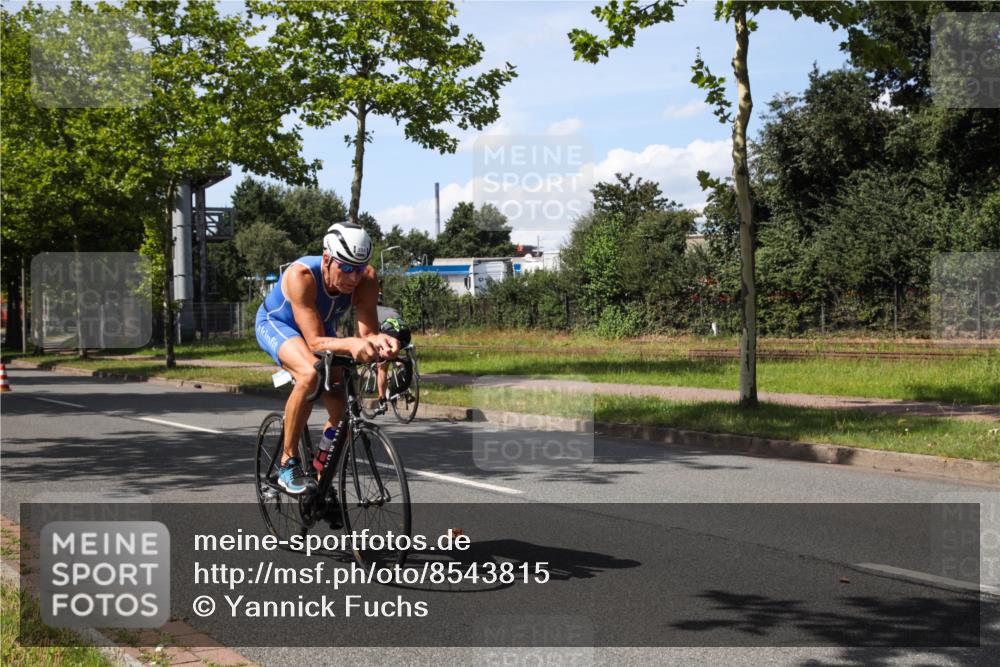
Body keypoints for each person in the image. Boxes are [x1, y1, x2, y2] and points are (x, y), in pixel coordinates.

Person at [255, 222, 400, 494]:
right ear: (326, 259)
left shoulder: (366, 279)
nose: (353, 277)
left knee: (342, 407)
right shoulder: (302, 276)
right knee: (309, 373)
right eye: (345, 268)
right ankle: (288, 461)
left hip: (321, 328)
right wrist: (353, 344)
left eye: (359, 269)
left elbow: (367, 333)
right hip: (279, 324)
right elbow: (314, 342)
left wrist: (383, 343)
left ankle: (321, 480)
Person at [374, 317, 413, 413]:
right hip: (406, 333)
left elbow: (373, 336)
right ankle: (401, 370)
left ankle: (382, 402)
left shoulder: (373, 312)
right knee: (396, 354)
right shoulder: (391, 310)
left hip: (392, 333)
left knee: (382, 368)